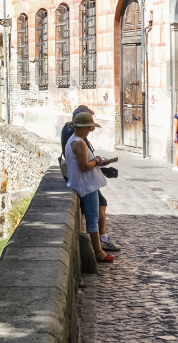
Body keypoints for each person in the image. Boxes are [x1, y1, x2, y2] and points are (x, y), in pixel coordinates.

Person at [59, 106, 119, 253]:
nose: (90, 131)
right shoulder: (78, 142)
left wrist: (97, 161)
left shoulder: (74, 138)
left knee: (94, 213)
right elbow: (84, 166)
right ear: (83, 126)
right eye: (89, 127)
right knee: (93, 216)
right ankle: (98, 250)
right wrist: (97, 161)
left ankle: (99, 246)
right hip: (86, 184)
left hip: (81, 182)